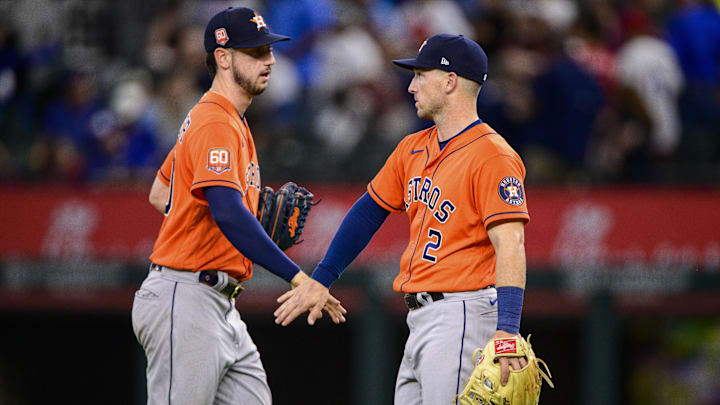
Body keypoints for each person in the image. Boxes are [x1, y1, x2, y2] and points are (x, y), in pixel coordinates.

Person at [274, 34, 531, 403]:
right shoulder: (412, 147)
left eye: (420, 75)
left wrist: (507, 330)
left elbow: (511, 242)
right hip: (421, 319)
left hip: (463, 314)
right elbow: (368, 211)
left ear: (450, 81)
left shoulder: (492, 156)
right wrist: (322, 279)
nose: (410, 86)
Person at [131, 7, 345, 405]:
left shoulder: (227, 120)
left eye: (269, 51)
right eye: (257, 52)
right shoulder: (214, 121)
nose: (271, 60)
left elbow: (161, 194)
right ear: (224, 57)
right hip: (187, 297)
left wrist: (205, 221)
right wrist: (299, 279)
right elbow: (228, 212)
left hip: (218, 303)